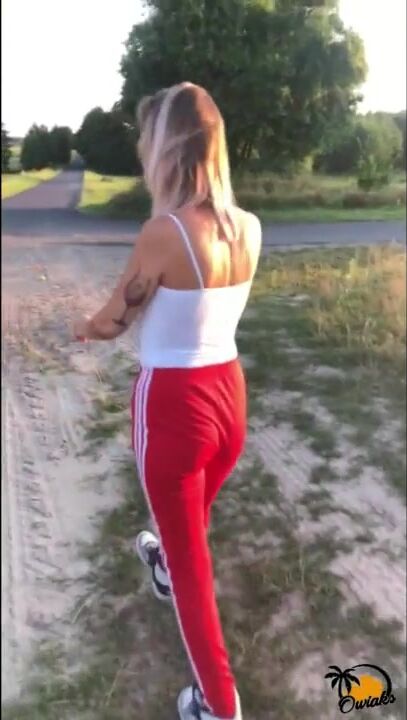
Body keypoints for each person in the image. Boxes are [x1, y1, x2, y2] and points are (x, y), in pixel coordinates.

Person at [73, 82, 262, 720]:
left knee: (191, 569)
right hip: (228, 394)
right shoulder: (249, 227)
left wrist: (81, 325)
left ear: (167, 150)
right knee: (187, 522)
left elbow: (112, 322)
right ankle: (162, 560)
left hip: (175, 404)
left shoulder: (165, 231)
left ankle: (218, 703)